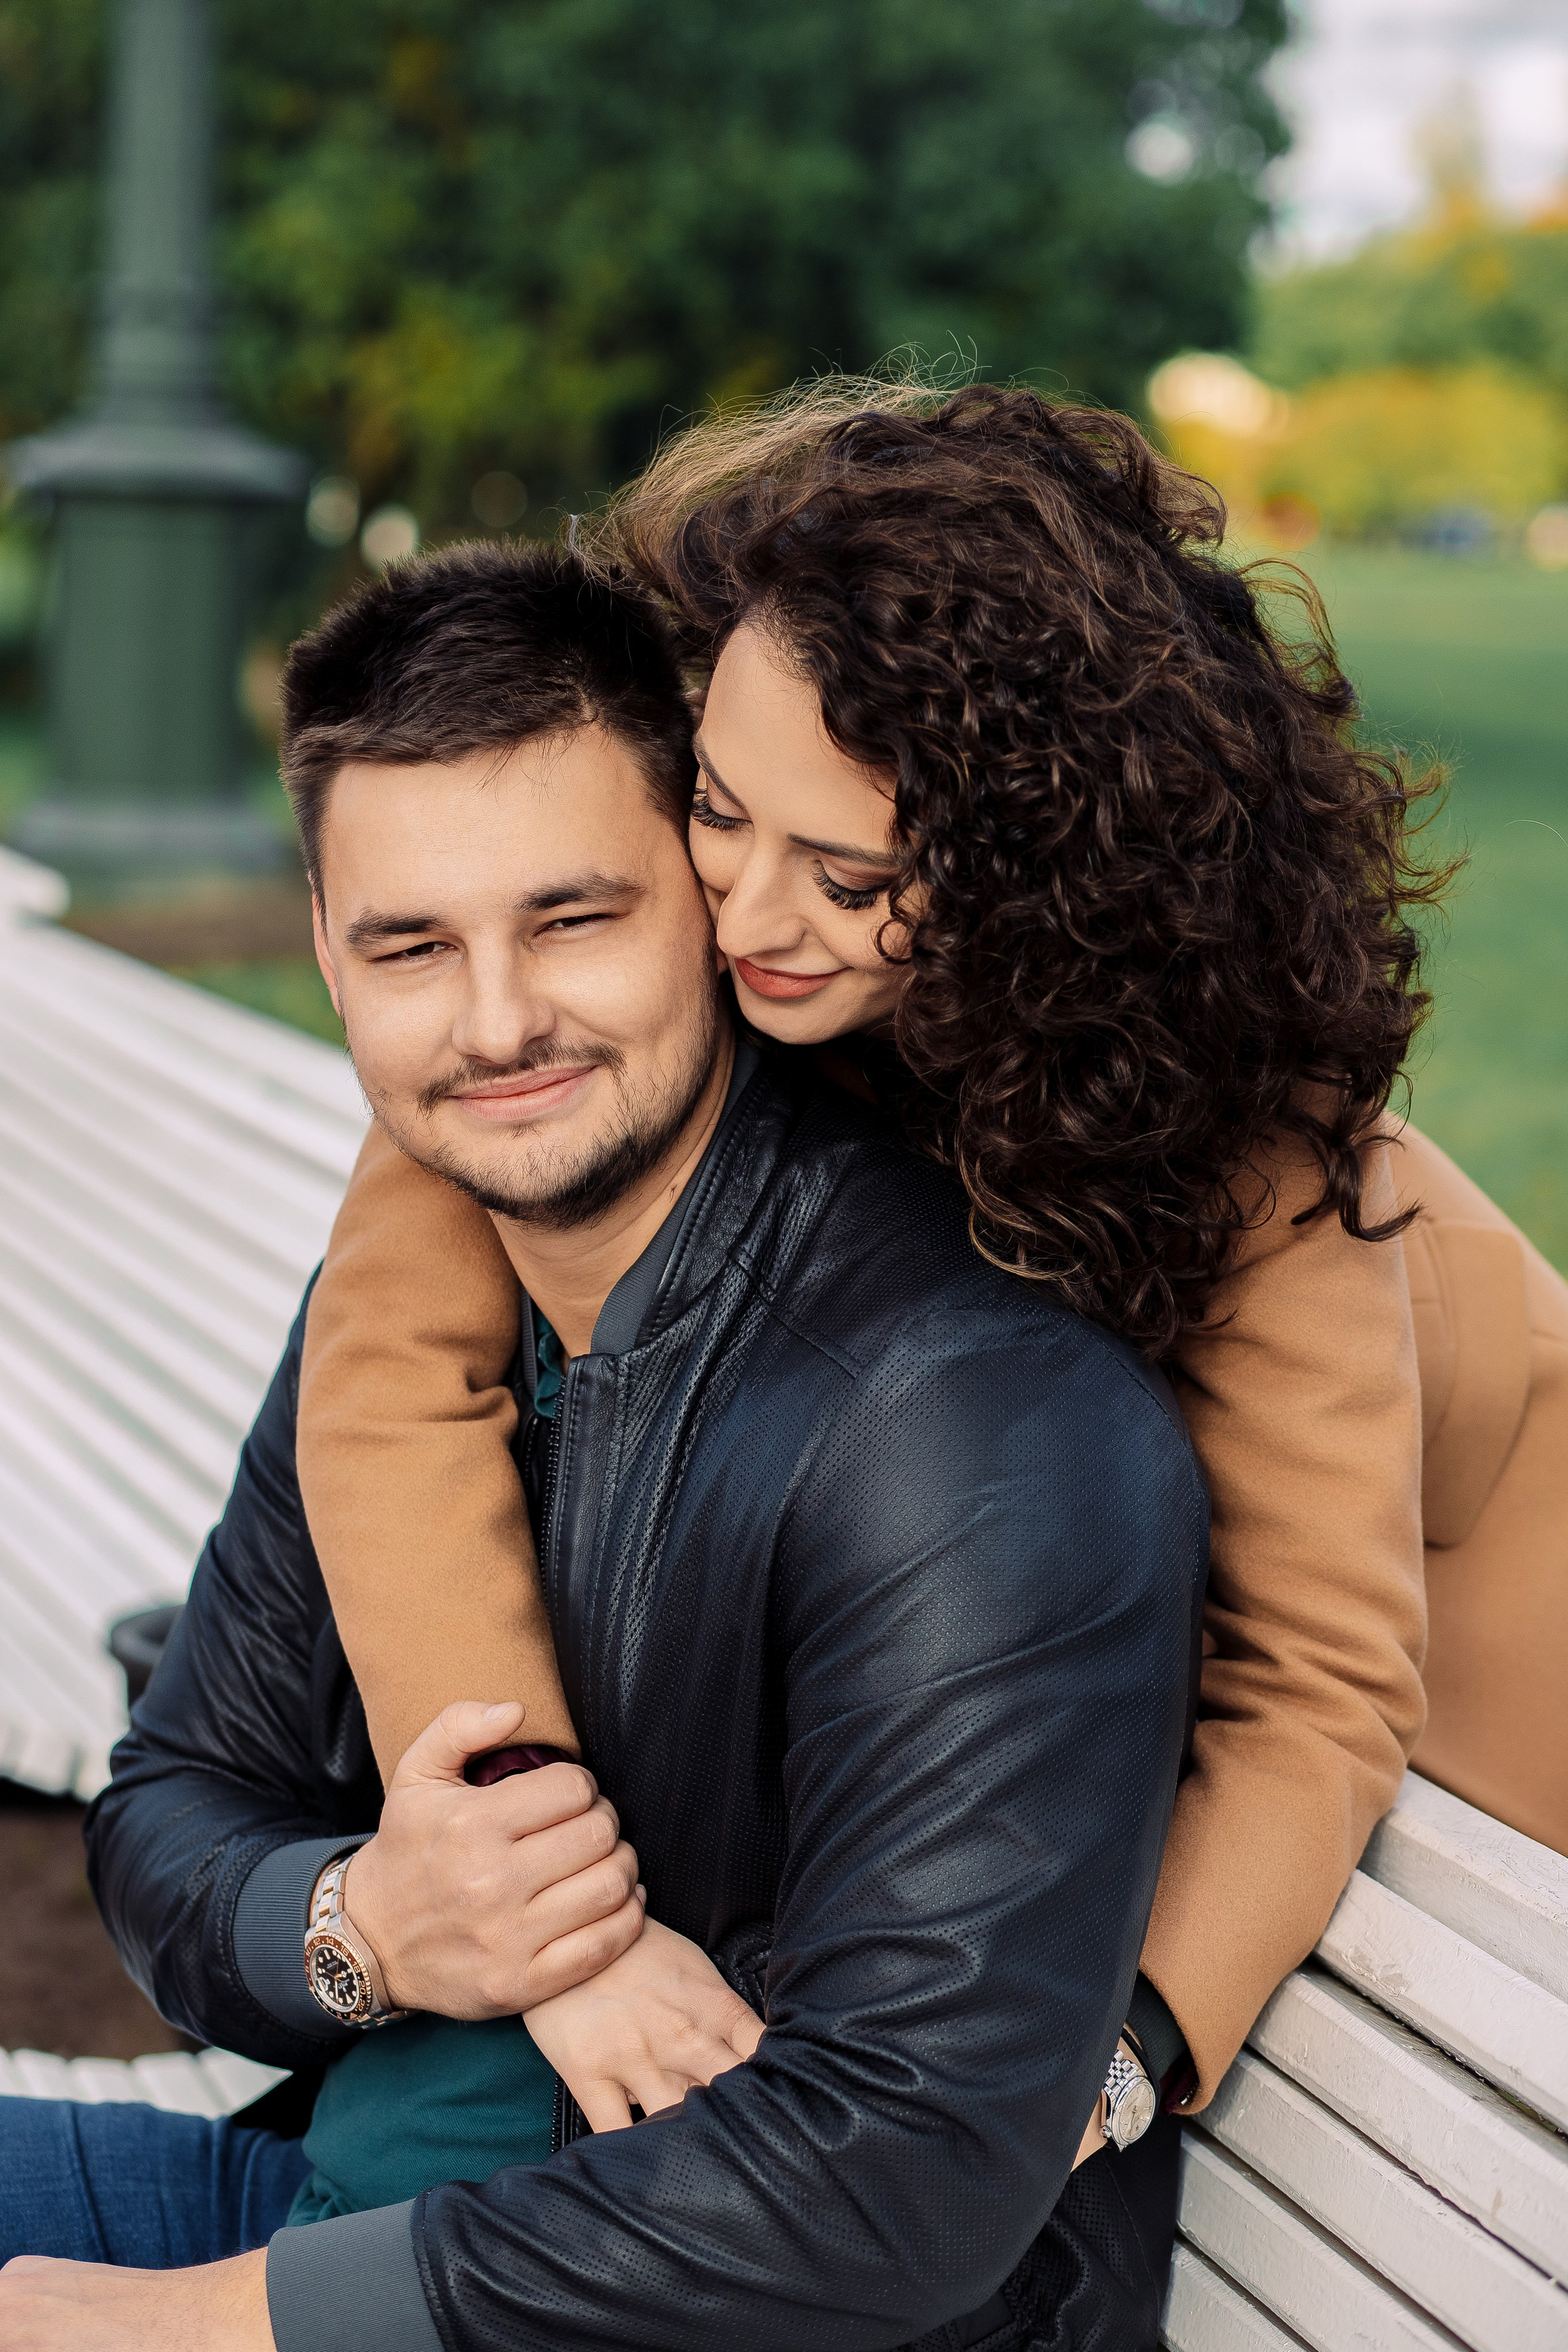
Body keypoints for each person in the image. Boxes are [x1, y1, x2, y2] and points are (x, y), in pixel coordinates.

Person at [0, 541, 1206, 2351]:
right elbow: (171, 1813)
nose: (495, 1026)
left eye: (573, 921)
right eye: (411, 945)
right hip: (335, 2206)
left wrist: (190, 2328)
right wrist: (373, 1927)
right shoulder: (414, 1304)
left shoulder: (965, 1419)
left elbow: (903, 2179)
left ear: (709, 904)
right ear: (325, 949)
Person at [298, 377, 1448, 2146]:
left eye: (848, 875)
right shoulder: (610, 1002)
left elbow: (1322, 1673)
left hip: (1479, 1763)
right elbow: (388, 1377)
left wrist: (1119, 2051)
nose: (749, 915)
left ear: (1033, 876)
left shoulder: (1252, 1122)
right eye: (723, 811)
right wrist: (548, 1900)